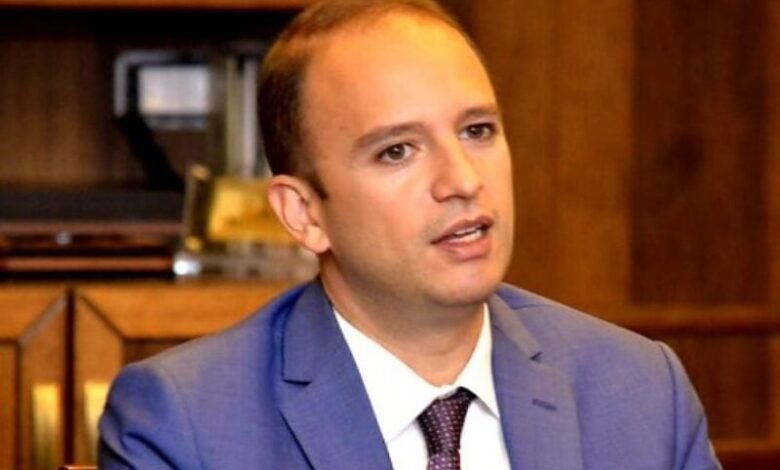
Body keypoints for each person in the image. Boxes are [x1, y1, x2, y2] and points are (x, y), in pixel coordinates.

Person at [98, 1, 722, 469]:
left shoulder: (642, 393)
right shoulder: (187, 423)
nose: (462, 180)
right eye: (397, 150)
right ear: (304, 213)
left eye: (477, 131)